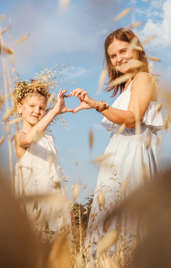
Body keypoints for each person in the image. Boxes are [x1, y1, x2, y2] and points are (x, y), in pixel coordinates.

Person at [69, 28, 164, 250]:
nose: (119, 58)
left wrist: (98, 105)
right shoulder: (128, 86)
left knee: (129, 224)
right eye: (113, 56)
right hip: (119, 156)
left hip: (133, 157)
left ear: (137, 50)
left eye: (124, 51)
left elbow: (132, 119)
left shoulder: (143, 78)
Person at [13, 80, 72, 238]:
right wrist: (54, 112)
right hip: (33, 204)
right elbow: (28, 140)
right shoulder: (20, 137)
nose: (37, 111)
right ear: (20, 108)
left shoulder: (49, 139)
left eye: (42, 108)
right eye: (32, 106)